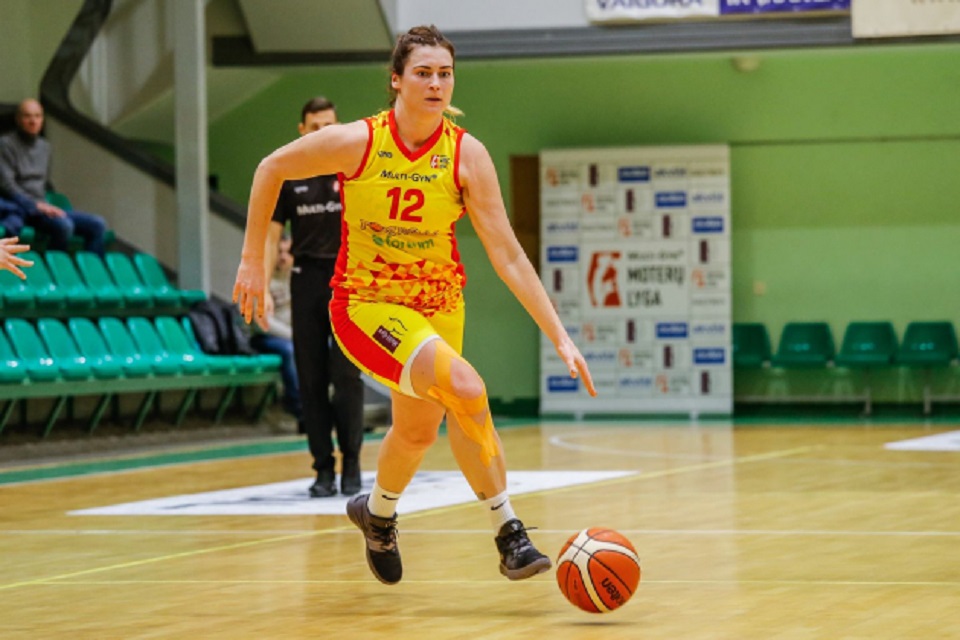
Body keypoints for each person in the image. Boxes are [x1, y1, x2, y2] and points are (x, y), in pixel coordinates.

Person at [234, 25, 596, 585]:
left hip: (440, 306)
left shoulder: (466, 155)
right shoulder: (359, 141)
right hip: (367, 305)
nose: (435, 84)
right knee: (468, 390)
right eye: (423, 73)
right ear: (396, 81)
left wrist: (560, 336)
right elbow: (270, 168)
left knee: (418, 433)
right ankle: (509, 531)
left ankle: (376, 515)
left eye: (445, 74)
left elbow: (507, 254)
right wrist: (253, 261)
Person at [261, 97, 365, 498]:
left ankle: (352, 463)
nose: (324, 133)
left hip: (348, 282)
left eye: (330, 125)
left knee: (347, 376)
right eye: (316, 127)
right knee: (311, 379)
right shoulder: (289, 175)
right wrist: (262, 285)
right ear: (302, 131)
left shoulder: (353, 171)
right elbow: (271, 237)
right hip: (305, 282)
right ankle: (323, 468)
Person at [0, 99, 108, 256]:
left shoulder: (45, 147)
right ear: (18, 119)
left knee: (98, 224)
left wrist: (44, 207)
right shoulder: (5, 145)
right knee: (64, 226)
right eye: (27, 116)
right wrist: (36, 206)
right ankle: (51, 266)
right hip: (19, 207)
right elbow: (6, 185)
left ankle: (90, 270)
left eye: (37, 116)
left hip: (42, 208)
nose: (33, 121)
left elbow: (42, 183)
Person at [251, 233, 302, 428]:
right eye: (278, 252)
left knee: (328, 346)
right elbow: (262, 322)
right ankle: (297, 407)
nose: (283, 257)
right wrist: (294, 336)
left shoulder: (300, 277)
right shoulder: (261, 280)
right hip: (265, 337)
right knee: (290, 350)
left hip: (295, 336)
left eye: (288, 252)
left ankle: (326, 406)